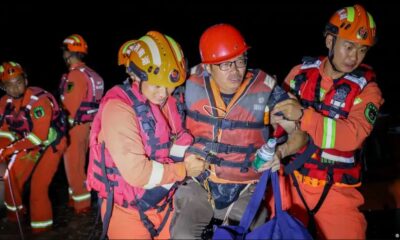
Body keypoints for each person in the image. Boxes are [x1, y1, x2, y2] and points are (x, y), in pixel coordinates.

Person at [170, 23, 307, 239]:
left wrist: (280, 152)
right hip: (201, 184)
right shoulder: (187, 85)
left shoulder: (266, 89)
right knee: (182, 234)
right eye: (225, 65)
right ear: (207, 67)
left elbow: (300, 135)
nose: (235, 71)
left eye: (240, 61)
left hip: (246, 187)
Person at [272, 4, 384, 239]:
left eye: (362, 50)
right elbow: (276, 124)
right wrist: (275, 117)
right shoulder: (299, 73)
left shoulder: (368, 91)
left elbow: (351, 135)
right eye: (349, 46)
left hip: (337, 191)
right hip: (292, 182)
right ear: (330, 41)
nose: (354, 57)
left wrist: (303, 115)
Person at [86, 31, 205, 239]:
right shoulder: (118, 109)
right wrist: (184, 169)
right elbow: (138, 174)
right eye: (157, 85)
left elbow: (181, 139)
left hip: (164, 204)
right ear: (135, 76)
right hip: (126, 213)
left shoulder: (167, 102)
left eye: (170, 87)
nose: (163, 94)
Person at [0, 61, 67, 233]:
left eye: (19, 82)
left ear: (26, 80)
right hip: (29, 143)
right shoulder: (4, 103)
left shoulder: (39, 102)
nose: (15, 88)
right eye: (10, 85)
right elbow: (5, 131)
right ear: (3, 87)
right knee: (11, 177)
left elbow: (39, 137)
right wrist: (2, 148)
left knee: (38, 186)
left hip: (51, 143)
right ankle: (15, 218)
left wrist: (10, 149)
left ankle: (42, 231)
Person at [59, 33, 104, 214]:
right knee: (80, 164)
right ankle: (74, 199)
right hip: (89, 126)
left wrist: (61, 128)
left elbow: (71, 106)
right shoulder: (93, 74)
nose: (63, 55)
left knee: (74, 167)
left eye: (64, 52)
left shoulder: (75, 76)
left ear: (69, 53)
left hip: (75, 128)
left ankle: (81, 206)